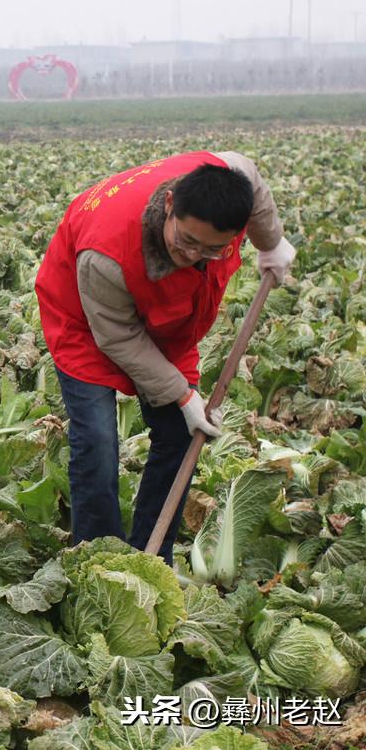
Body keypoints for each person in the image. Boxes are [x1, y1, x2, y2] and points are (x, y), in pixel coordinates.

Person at [35, 152, 296, 565]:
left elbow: (250, 179)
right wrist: (182, 394)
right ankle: (98, 562)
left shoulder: (230, 178)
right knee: (98, 442)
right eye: (186, 241)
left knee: (180, 433)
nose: (193, 254)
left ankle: (151, 556)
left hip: (168, 314)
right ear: (170, 204)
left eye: (211, 249)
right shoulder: (105, 255)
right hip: (86, 320)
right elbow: (118, 336)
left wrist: (272, 242)